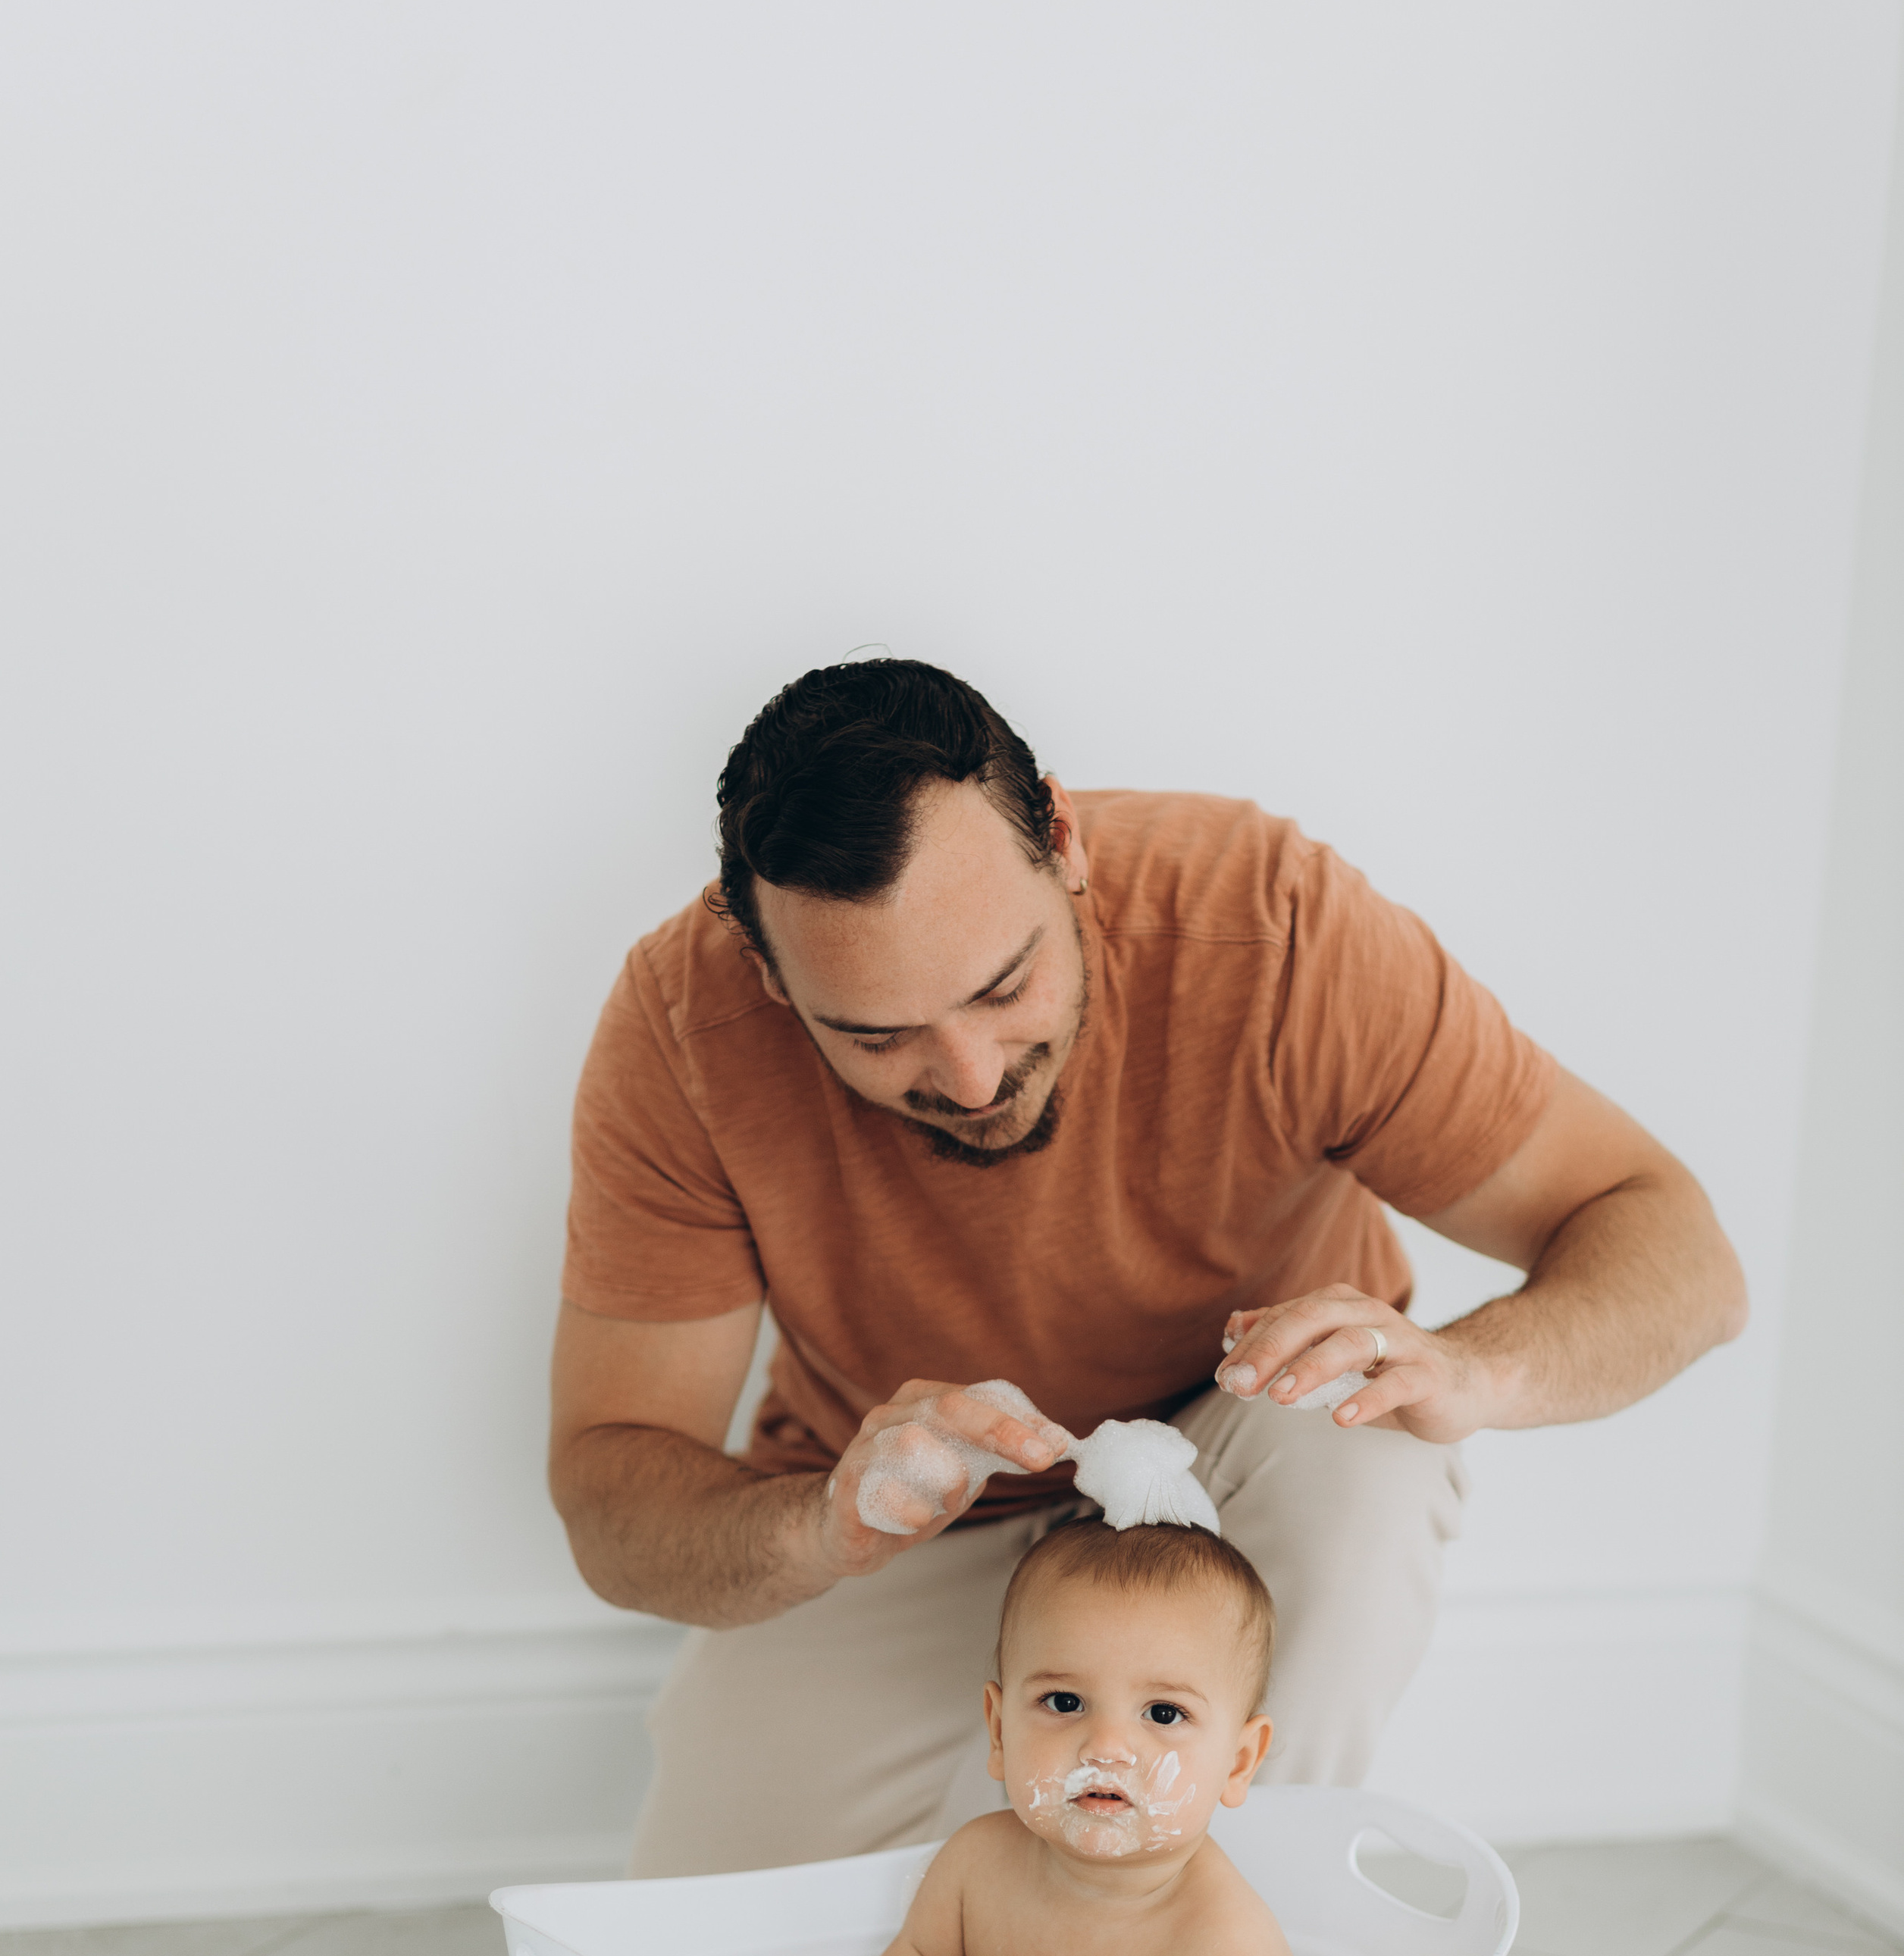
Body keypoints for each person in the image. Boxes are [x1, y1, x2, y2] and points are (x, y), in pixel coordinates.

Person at [550, 658, 1747, 1877]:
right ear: (767, 974)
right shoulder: (683, 1025)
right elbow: (614, 1495)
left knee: (1370, 1440)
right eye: (876, 1033)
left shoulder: (1269, 924)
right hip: (912, 1532)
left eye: (1004, 986)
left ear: (1062, 841)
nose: (968, 1078)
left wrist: (1473, 1369)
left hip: (1242, 1478)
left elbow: (1675, 1247)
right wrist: (824, 1528)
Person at [850, 1518, 1304, 1956]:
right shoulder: (975, 1866)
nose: (1107, 1747)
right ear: (998, 1731)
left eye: (1163, 1713)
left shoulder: (1228, 1953)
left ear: (1239, 1762)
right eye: (1065, 1702)